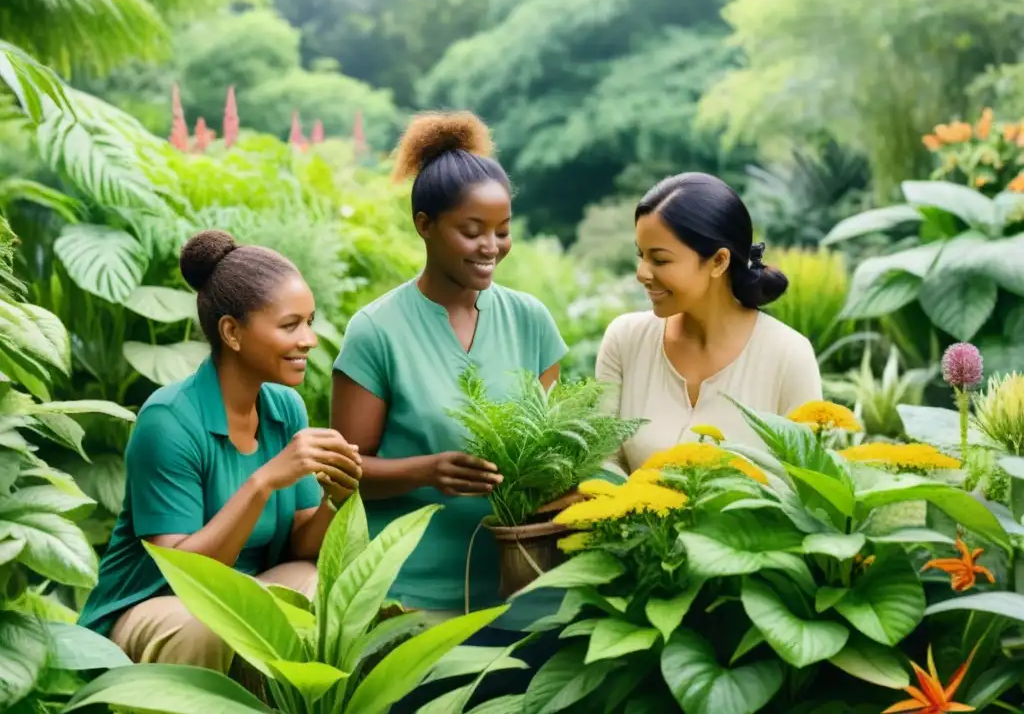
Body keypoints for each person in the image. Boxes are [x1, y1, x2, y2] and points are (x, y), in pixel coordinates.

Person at [331, 113, 567, 707]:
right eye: (472, 230)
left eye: (503, 229)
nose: (492, 246)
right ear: (424, 226)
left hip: (519, 588)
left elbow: (552, 449)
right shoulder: (376, 331)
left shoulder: (530, 321)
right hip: (409, 599)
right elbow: (343, 476)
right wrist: (426, 469)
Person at [78, 230, 362, 673]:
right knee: (211, 622)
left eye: (310, 321)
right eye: (291, 325)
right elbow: (182, 573)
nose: (309, 339)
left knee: (316, 585)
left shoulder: (284, 408)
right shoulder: (169, 420)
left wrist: (336, 497)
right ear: (232, 332)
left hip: (243, 594)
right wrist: (266, 479)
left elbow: (302, 542)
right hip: (155, 608)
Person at [597, 172, 822, 477]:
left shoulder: (788, 355)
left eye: (659, 260)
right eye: (641, 255)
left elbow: (808, 482)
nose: (642, 273)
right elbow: (603, 463)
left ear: (719, 261)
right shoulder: (626, 340)